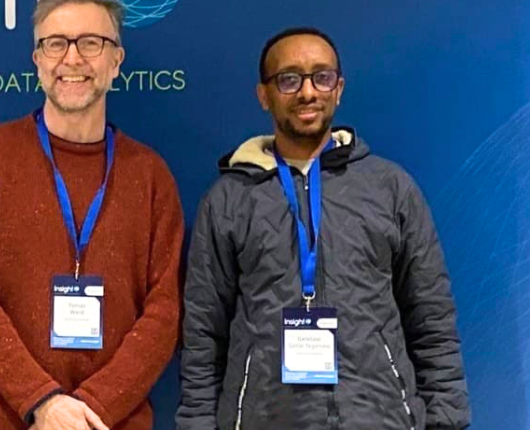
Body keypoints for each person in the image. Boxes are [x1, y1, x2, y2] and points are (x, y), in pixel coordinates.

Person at [177, 27, 471, 430]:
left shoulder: (390, 188)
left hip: (380, 417)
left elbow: (431, 318)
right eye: (289, 79)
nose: (307, 92)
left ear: (339, 89)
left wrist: (447, 421)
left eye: (322, 77)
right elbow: (202, 334)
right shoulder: (229, 199)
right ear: (264, 95)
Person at [0, 0, 184, 430]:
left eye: (91, 43)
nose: (72, 59)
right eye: (56, 43)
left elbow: (164, 313)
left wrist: (89, 410)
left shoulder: (151, 175)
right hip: (7, 419)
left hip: (110, 423)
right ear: (37, 59)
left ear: (117, 60)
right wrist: (43, 402)